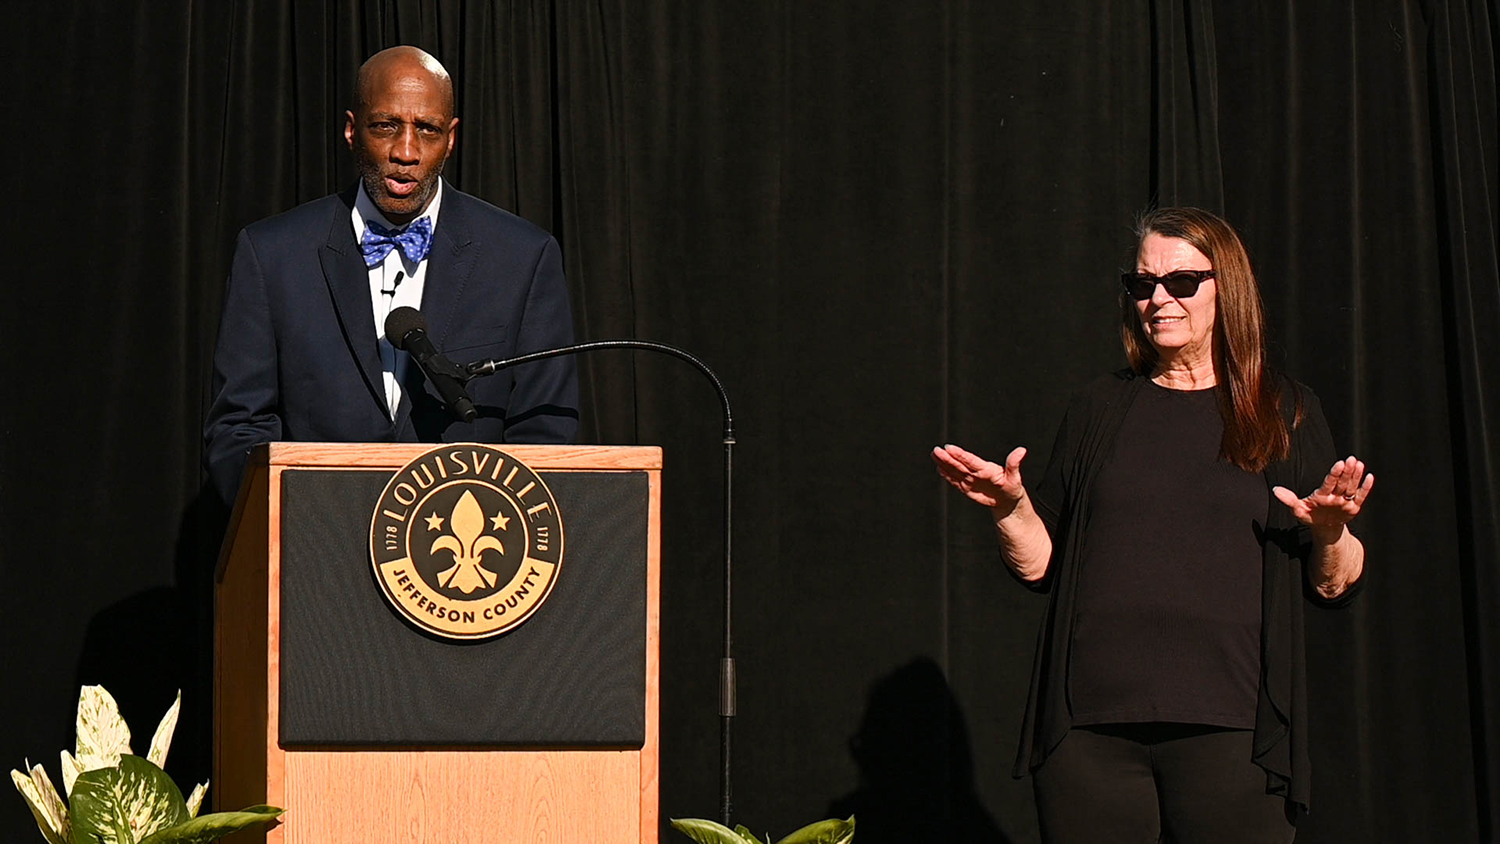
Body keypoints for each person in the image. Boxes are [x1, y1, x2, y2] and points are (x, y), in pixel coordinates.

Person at [933, 207, 1371, 843]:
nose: (1158, 299)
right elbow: (1041, 566)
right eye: (1142, 284)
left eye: (1181, 283)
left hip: (1233, 731)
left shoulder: (1286, 410)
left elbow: (1335, 586)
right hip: (1090, 733)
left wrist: (1331, 533)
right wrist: (1011, 510)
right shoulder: (1098, 407)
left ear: (1229, 289)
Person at [204, 46, 578, 505]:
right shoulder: (272, 254)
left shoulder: (525, 257)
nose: (406, 151)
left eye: (427, 129)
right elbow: (238, 428)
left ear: (452, 137)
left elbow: (546, 434)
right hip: (318, 553)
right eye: (385, 126)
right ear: (351, 129)